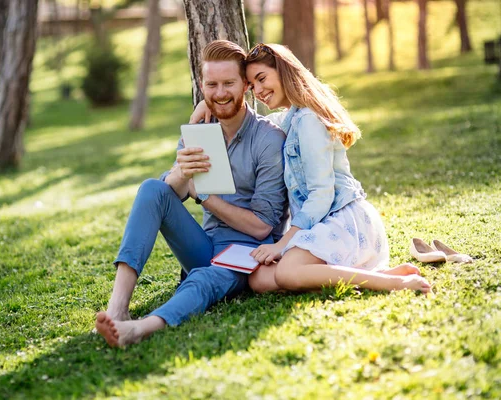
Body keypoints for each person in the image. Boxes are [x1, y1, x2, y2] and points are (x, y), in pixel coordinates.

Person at [191, 43, 432, 295]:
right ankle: (376, 275)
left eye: (262, 79)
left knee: (285, 273)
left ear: (283, 72)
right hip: (318, 225)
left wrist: (282, 244)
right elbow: (256, 124)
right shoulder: (291, 119)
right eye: (253, 84)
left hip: (339, 219)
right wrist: (208, 106)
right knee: (260, 280)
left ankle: (393, 283)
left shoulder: (308, 120)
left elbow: (321, 196)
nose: (259, 91)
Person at [94, 40, 288, 347]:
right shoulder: (200, 130)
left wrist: (206, 198)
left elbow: (263, 226)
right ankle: (118, 307)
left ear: (246, 85)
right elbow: (168, 195)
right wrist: (181, 173)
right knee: (152, 188)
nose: (220, 93)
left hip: (249, 254)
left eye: (228, 83)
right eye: (212, 84)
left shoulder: (268, 140)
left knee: (203, 280)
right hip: (205, 245)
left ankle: (140, 329)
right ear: (202, 85)